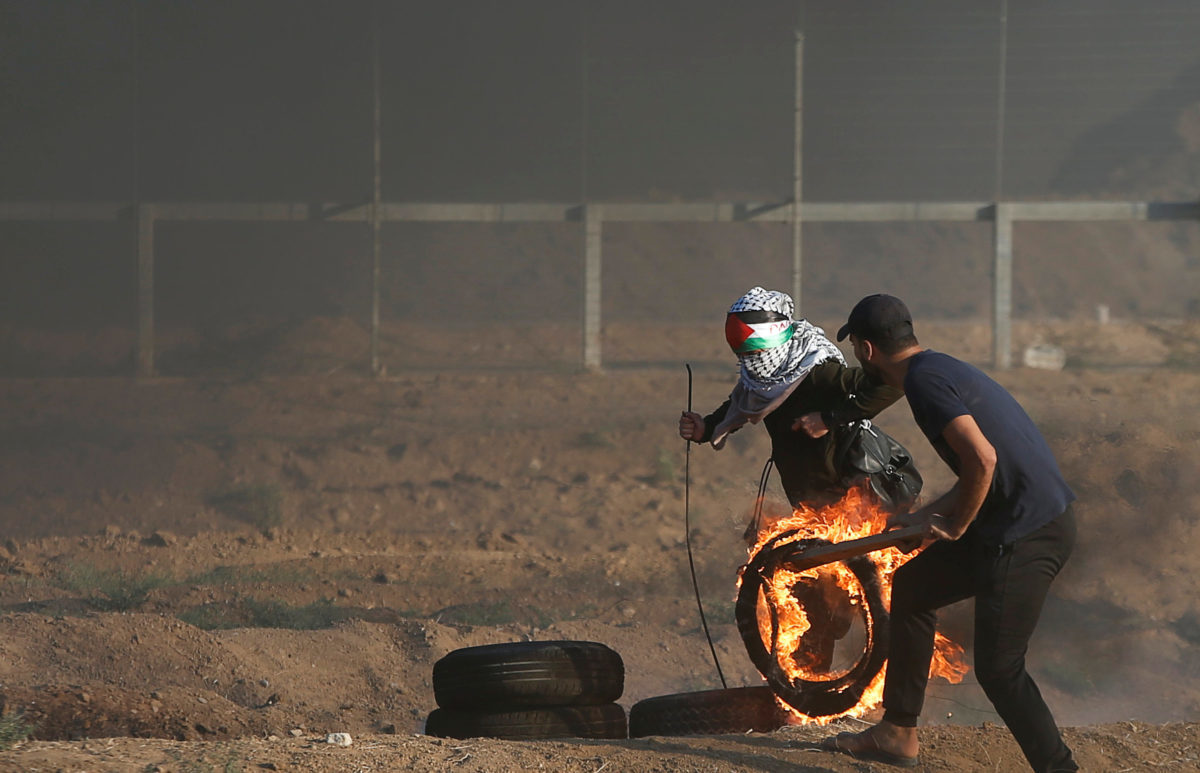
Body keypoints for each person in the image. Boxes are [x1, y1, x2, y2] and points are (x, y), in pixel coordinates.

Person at [822, 294, 1078, 772]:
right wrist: (923, 517)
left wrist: (955, 525)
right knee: (914, 587)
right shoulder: (938, 369)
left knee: (1000, 670)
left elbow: (983, 459)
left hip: (1028, 532)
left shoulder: (923, 384)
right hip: (1015, 521)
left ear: (865, 349)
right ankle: (898, 732)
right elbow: (978, 471)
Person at [677, 286, 903, 516]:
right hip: (809, 508)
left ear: (775, 340)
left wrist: (828, 419)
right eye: (742, 355)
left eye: (755, 353)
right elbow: (742, 403)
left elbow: (893, 381)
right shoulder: (762, 384)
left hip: (855, 504)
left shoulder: (819, 373)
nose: (750, 362)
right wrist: (705, 428)